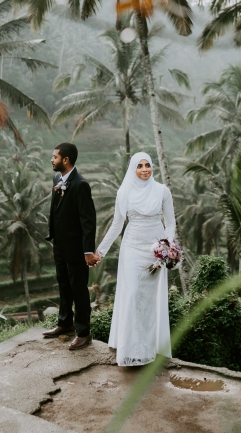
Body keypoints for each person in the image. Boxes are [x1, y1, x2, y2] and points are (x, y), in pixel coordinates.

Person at [91, 152, 176, 366]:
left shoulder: (162, 191)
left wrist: (165, 248)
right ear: (133, 169)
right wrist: (99, 251)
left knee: (149, 301)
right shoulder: (124, 192)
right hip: (131, 249)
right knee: (132, 296)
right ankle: (131, 351)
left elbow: (171, 223)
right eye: (140, 166)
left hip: (155, 250)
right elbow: (117, 225)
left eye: (148, 165)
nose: (145, 169)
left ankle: (149, 349)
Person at [42, 142, 98, 350]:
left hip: (76, 248)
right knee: (63, 284)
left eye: (54, 157)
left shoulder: (80, 184)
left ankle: (84, 332)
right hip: (60, 245)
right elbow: (54, 210)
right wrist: (53, 236)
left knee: (78, 290)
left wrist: (87, 251)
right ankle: (65, 323)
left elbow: (88, 220)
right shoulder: (58, 179)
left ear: (65, 160)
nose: (52, 160)